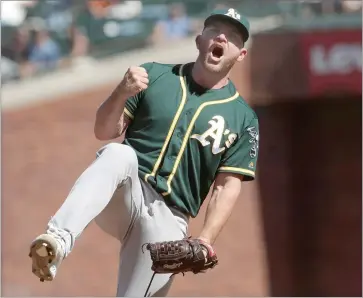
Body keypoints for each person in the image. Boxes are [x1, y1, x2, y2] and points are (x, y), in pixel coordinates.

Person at [29, 7, 259, 297]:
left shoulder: (243, 117)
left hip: (169, 218)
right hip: (127, 191)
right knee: (118, 154)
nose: (222, 37)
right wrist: (120, 93)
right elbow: (103, 131)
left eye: (234, 37)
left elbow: (227, 187)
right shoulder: (155, 75)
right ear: (200, 40)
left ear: (241, 54)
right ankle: (58, 240)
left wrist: (205, 239)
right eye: (215, 30)